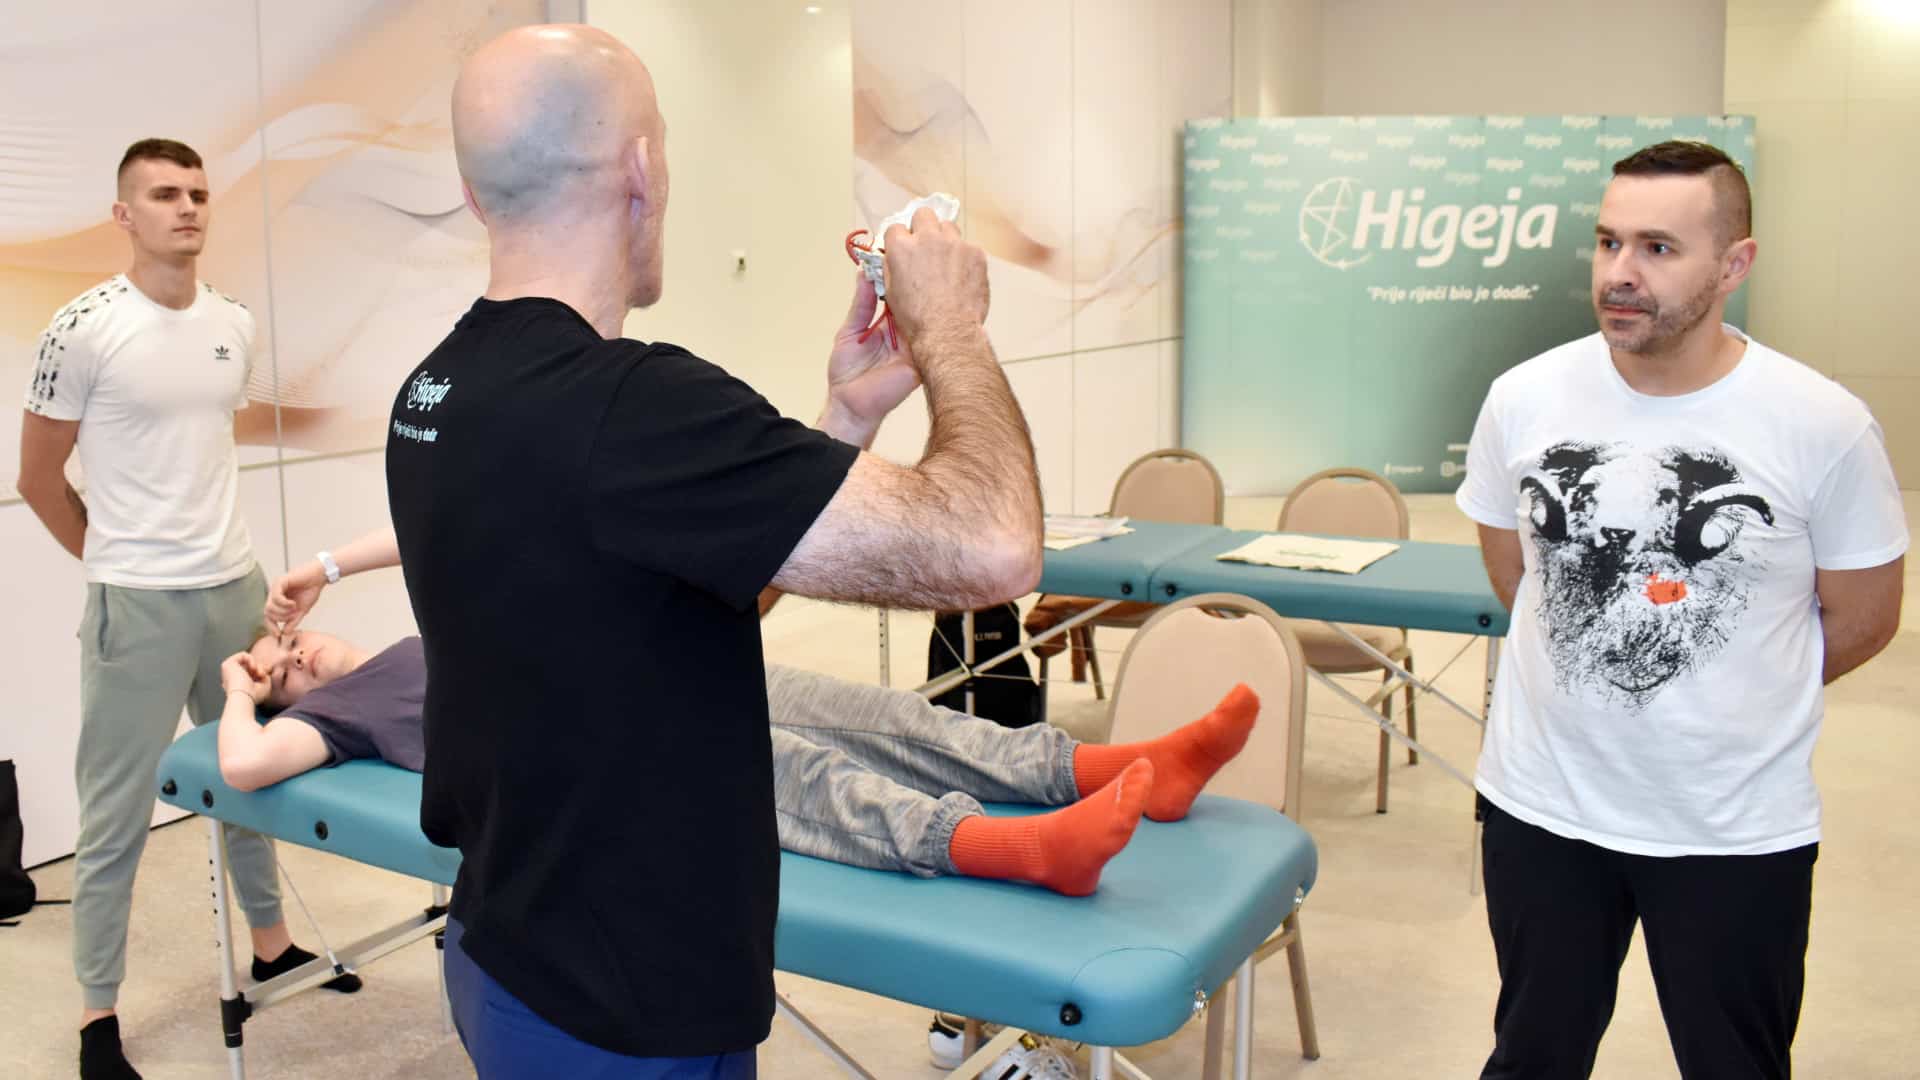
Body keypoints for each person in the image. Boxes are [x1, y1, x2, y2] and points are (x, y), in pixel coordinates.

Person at [384, 24, 1044, 1077]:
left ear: (475, 192)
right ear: (643, 169)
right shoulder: (634, 407)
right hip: (619, 1010)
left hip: (506, 948)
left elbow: (673, 595)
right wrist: (952, 329)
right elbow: (997, 549)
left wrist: (845, 419)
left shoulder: (439, 388)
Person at [1455, 140, 1908, 1079]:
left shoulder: (1821, 424)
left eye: (1658, 248)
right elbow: (1521, 575)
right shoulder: (1523, 397)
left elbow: (1865, 618)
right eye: (1608, 241)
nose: (1620, 272)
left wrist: (1736, 678)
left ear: (1734, 264)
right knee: (1531, 1058)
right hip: (1542, 809)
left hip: (1730, 825)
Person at [16, 138, 357, 1080]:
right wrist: (118, 565)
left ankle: (271, 943)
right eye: (165, 194)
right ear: (124, 214)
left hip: (234, 591)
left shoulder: (232, 323)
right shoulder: (84, 327)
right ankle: (97, 1013)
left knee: (250, 776)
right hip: (137, 608)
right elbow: (37, 479)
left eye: (198, 193)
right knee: (116, 813)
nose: (188, 208)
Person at [213, 625, 1256, 893]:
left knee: (881, 714)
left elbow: (414, 533)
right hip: (598, 751)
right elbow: (247, 768)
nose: (296, 651)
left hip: (648, 670)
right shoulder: (338, 715)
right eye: (282, 664)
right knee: (800, 775)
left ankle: (1109, 769)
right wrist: (237, 691)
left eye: (291, 638)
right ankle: (1019, 850)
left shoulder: (412, 637)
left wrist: (319, 571)